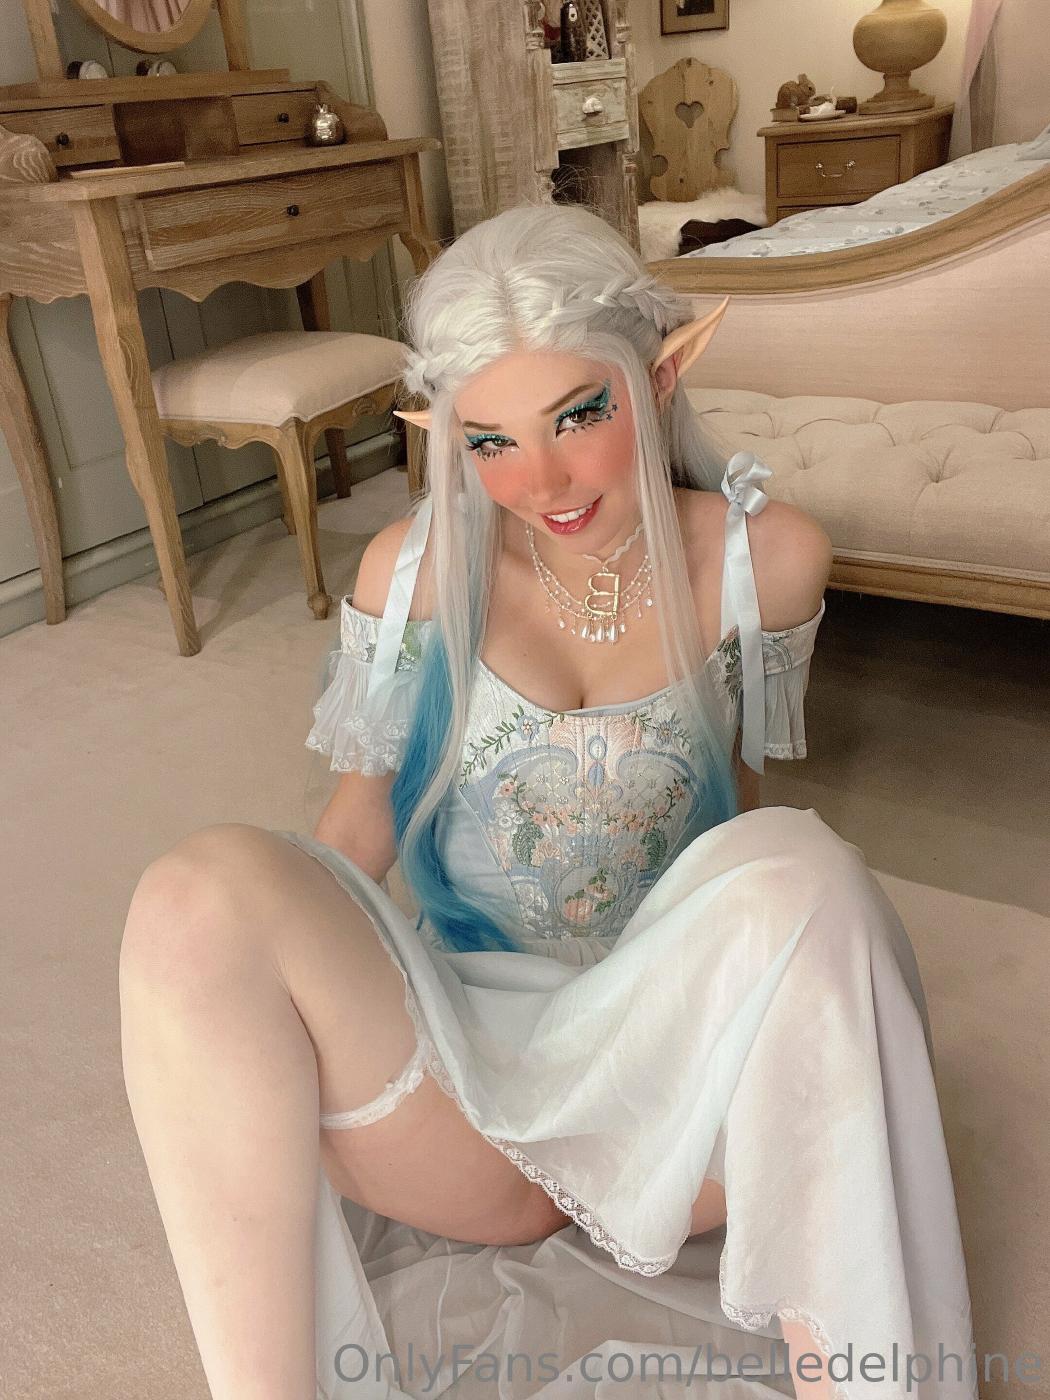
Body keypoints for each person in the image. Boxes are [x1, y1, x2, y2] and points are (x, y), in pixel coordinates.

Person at [119, 204, 978, 1400]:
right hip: (461, 1095)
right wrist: (268, 1001)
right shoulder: (412, 570)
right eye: (492, 440)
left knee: (808, 866)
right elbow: (356, 828)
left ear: (660, 376)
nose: (545, 480)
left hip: (668, 1106)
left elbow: (740, 824)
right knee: (196, 897)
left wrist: (774, 992)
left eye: (579, 414)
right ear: (446, 437)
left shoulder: (766, 558)